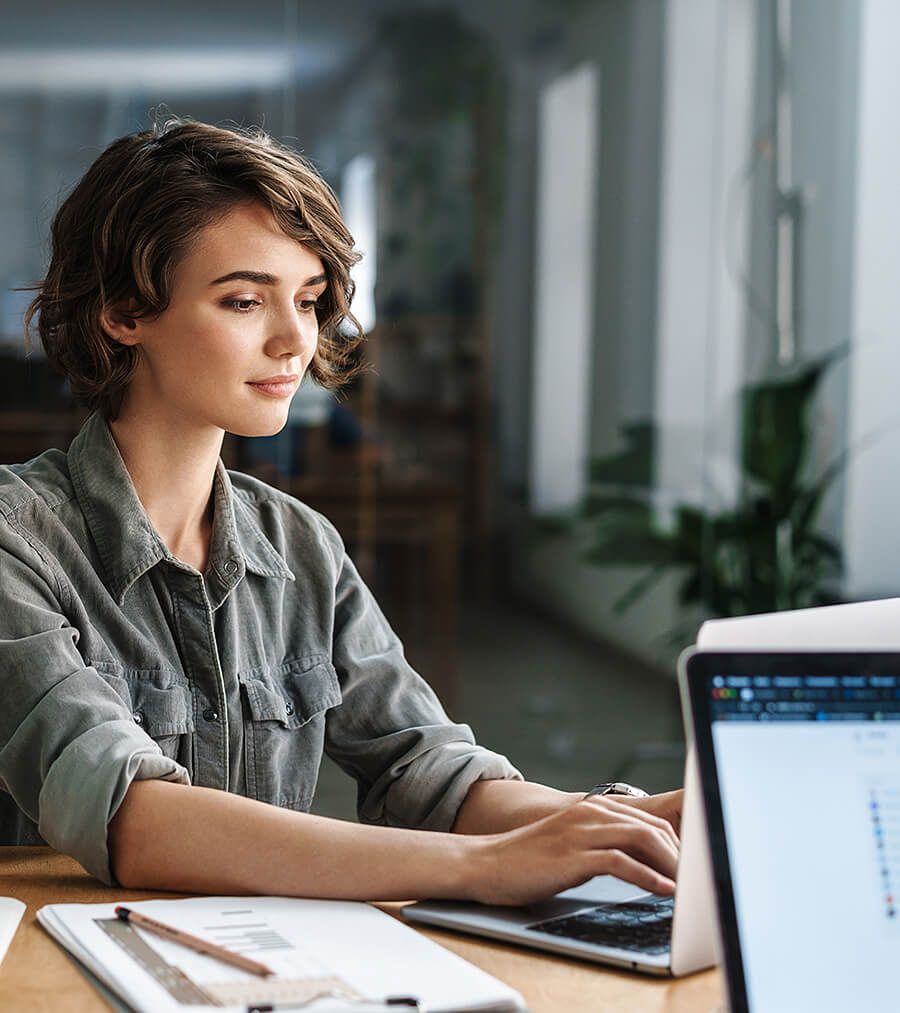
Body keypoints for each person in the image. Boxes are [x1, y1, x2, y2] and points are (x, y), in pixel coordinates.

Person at [1, 117, 681, 906]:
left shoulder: (302, 545)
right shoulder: (18, 541)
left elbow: (427, 772)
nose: (296, 339)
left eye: (310, 299)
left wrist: (624, 822)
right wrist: (481, 867)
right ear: (124, 313)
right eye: (245, 300)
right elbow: (132, 815)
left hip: (264, 967)